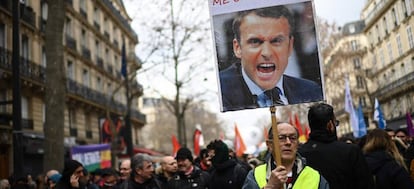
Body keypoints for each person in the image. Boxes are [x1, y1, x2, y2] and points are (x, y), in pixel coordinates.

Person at [219, 5, 323, 111]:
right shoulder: (221, 93)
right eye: (255, 42)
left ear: (290, 46)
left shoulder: (312, 91)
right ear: (237, 48)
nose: (267, 53)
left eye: (276, 41)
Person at [298, 103, 374, 189]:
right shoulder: (350, 151)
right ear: (330, 125)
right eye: (336, 123)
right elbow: (366, 184)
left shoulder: (300, 154)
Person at [243, 122, 329, 189]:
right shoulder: (255, 176)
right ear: (269, 145)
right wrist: (270, 187)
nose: (288, 142)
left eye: (292, 138)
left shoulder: (314, 177)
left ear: (298, 144)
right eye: (281, 138)